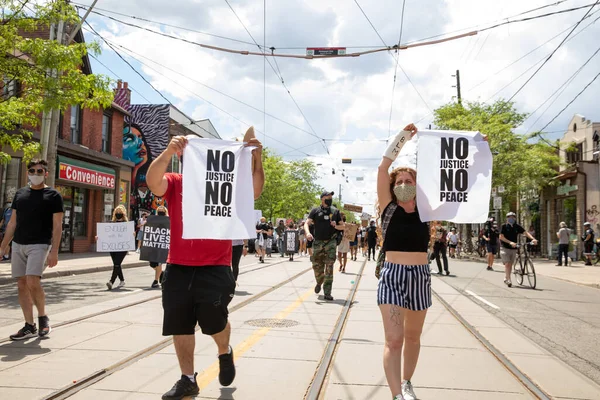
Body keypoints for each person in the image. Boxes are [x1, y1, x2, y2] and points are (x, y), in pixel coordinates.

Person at [146, 130, 264, 400]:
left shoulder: (228, 184)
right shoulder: (177, 183)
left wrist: (256, 159)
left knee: (214, 322)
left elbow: (255, 191)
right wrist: (167, 152)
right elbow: (153, 182)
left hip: (215, 265)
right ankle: (188, 379)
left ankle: (224, 352)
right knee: (180, 324)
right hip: (178, 265)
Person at [377, 123, 431, 400]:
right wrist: (403, 138)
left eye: (409, 181)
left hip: (420, 276)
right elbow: (382, 167)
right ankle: (397, 395)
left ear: (417, 185)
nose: (403, 185)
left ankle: (407, 382)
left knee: (412, 337)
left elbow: (456, 178)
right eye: (399, 182)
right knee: (394, 339)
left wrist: (475, 147)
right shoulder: (388, 207)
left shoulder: (427, 206)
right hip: (393, 276)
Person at [0, 159, 63, 340]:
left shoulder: (53, 195)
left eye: (39, 171)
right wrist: (3, 247)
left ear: (46, 173)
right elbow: (12, 223)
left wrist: (55, 251)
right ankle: (29, 325)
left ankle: (43, 317)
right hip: (19, 244)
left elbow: (57, 226)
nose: (35, 174)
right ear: (28, 172)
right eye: (32, 171)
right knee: (21, 284)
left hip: (40, 244)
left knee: (32, 281)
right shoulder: (20, 194)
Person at [305, 191, 344, 301]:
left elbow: (343, 226)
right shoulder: (315, 211)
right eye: (328, 197)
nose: (330, 198)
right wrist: (308, 233)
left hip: (330, 242)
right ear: (322, 198)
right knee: (317, 266)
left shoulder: (335, 212)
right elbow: (306, 223)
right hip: (318, 242)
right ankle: (319, 281)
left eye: (331, 197)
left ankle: (327, 292)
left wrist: (336, 226)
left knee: (329, 267)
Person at [499, 212, 537, 287]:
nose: (511, 218)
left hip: (514, 248)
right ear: (507, 218)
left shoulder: (517, 226)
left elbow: (525, 233)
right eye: (509, 217)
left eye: (513, 217)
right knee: (507, 264)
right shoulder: (504, 226)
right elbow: (501, 237)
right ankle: (508, 279)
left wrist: (533, 239)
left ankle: (506, 277)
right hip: (505, 247)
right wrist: (510, 242)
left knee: (510, 264)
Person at [104, 205, 130, 290]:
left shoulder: (126, 224)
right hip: (113, 247)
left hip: (122, 248)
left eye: (120, 212)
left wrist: (132, 235)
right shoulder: (111, 224)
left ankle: (111, 282)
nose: (118, 213)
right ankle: (122, 280)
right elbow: (106, 235)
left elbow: (130, 236)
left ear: (123, 213)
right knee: (117, 264)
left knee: (117, 264)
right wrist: (99, 237)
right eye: (117, 212)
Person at [149, 205, 169, 288]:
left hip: (162, 244)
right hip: (154, 243)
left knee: (158, 263)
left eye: (162, 210)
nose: (161, 211)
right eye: (159, 210)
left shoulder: (168, 220)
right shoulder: (154, 220)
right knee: (152, 264)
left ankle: (155, 281)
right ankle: (162, 274)